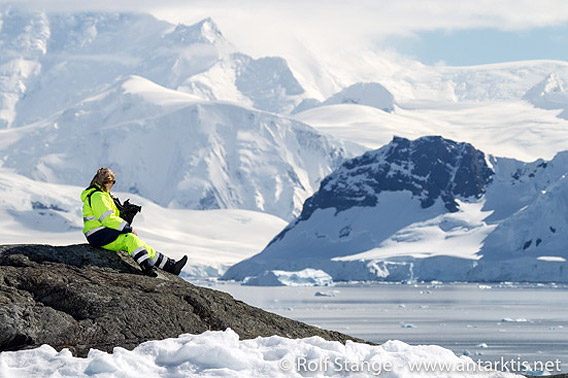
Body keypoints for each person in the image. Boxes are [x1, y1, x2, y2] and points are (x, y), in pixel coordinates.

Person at [81, 168, 187, 277]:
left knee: (139, 243)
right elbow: (108, 219)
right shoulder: (98, 197)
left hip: (103, 232)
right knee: (130, 239)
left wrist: (126, 214)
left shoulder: (104, 196)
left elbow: (113, 218)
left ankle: (171, 266)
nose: (113, 185)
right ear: (106, 182)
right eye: (113, 182)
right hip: (98, 234)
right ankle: (148, 268)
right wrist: (128, 228)